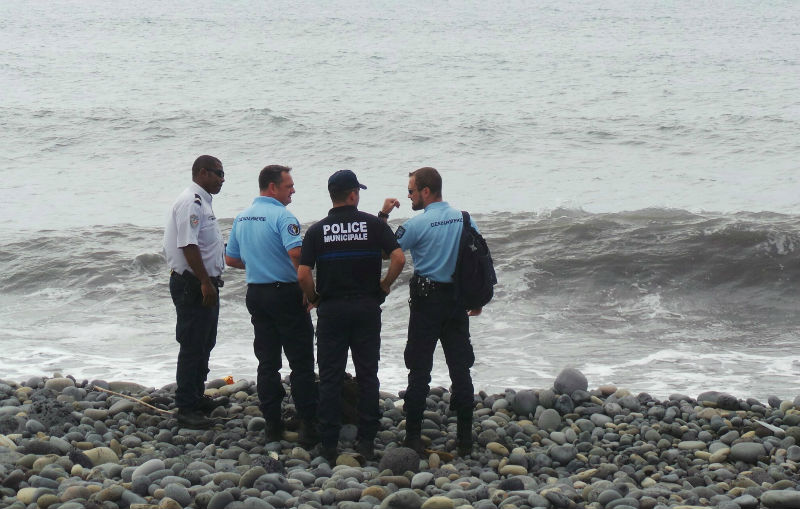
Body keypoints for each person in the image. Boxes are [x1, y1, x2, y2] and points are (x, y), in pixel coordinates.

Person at [298, 170, 405, 462]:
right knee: (368, 374)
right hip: (366, 308)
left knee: (331, 377)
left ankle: (330, 444)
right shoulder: (372, 225)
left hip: (332, 310)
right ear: (353, 195)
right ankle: (367, 441)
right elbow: (398, 258)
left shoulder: (317, 231)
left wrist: (315, 296)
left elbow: (303, 273)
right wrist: (383, 286)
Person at [379, 166, 482, 456]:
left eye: (411, 191)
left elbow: (385, 251)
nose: (409, 196)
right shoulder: (465, 219)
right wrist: (478, 299)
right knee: (461, 370)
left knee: (419, 370)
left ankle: (412, 437)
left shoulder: (416, 225)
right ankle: (465, 441)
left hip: (427, 302)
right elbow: (478, 260)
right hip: (457, 300)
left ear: (426, 191)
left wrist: (383, 215)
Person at [225, 165, 319, 445]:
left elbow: (231, 259)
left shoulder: (242, 217)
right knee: (301, 362)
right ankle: (307, 425)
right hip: (285, 293)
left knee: (267, 362)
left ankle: (272, 425)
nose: (293, 190)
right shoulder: (282, 215)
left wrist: (258, 264)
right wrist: (307, 288)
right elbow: (296, 252)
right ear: (272, 187)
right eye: (288, 185)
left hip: (257, 293)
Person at [163, 154, 229, 428]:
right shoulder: (192, 201)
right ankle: (185, 406)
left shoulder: (204, 202)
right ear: (202, 173)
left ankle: (196, 394)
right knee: (192, 344)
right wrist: (203, 281)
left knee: (205, 341)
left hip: (205, 282)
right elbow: (188, 245)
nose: (222, 179)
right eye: (218, 173)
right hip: (192, 284)